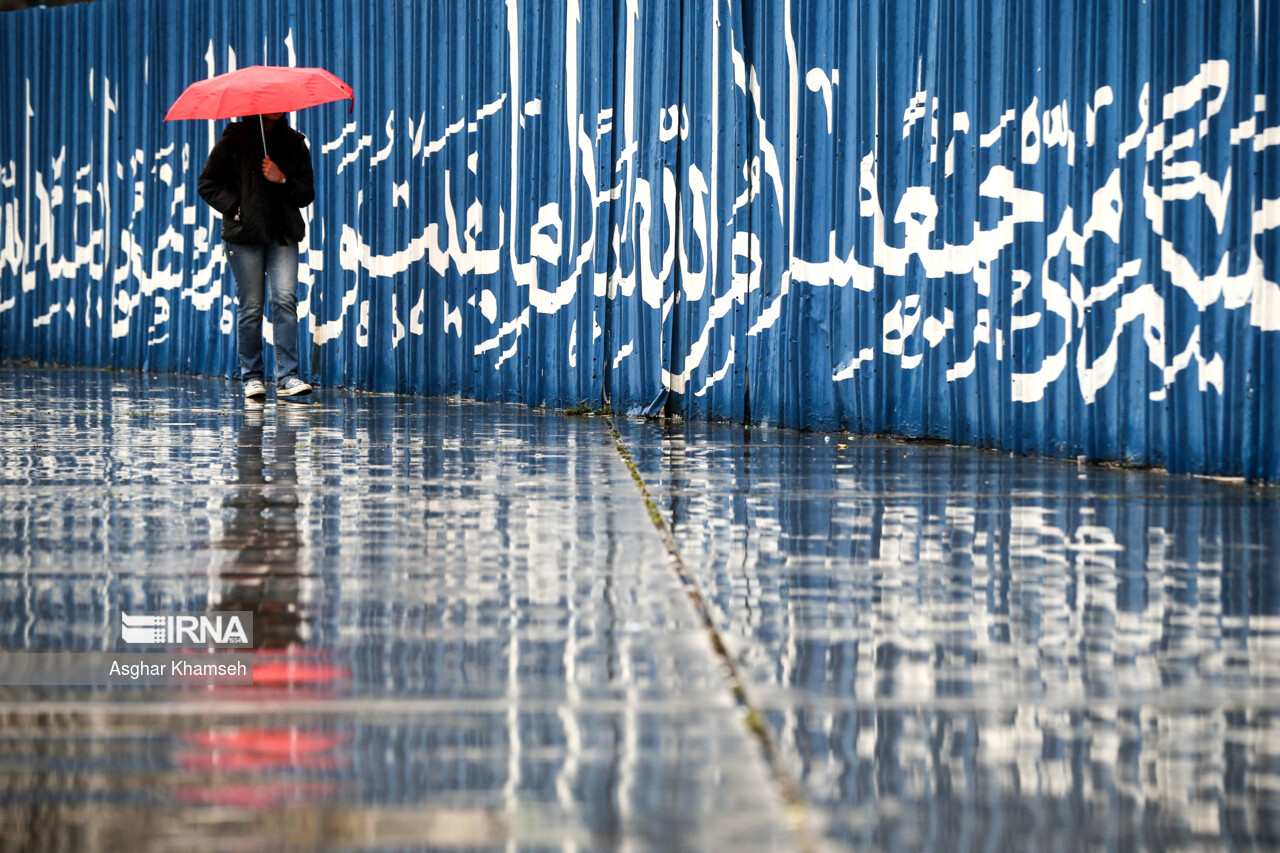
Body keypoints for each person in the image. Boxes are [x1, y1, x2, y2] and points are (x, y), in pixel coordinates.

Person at [198, 113, 315, 400]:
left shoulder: (294, 143)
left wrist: (281, 178)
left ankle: (288, 376)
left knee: (285, 301)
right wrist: (236, 208)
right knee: (251, 305)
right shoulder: (233, 140)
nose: (275, 107)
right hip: (245, 235)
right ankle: (252, 377)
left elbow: (305, 194)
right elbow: (207, 183)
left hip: (282, 234)